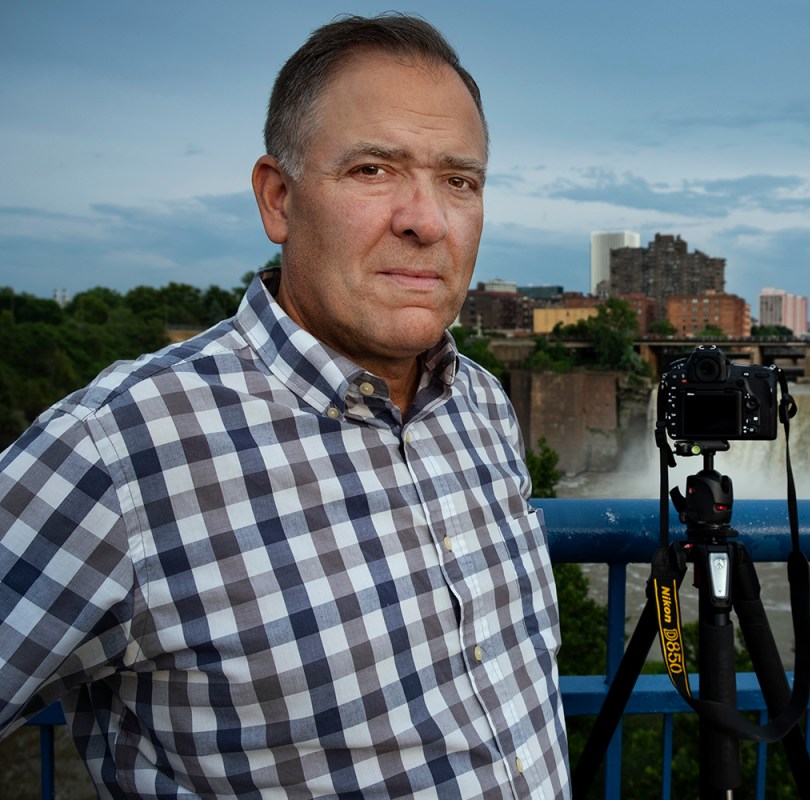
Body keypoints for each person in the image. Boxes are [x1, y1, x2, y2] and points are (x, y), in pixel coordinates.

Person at [0, 13, 570, 798]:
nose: (426, 219)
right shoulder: (119, 453)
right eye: (373, 169)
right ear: (278, 199)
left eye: (459, 181)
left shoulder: (479, 404)